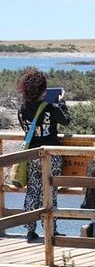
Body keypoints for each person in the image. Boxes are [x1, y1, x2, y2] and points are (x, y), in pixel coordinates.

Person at [16, 68, 71, 241]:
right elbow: (66, 120)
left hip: (32, 154)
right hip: (51, 155)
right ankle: (50, 228)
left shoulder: (22, 109)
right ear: (42, 91)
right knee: (50, 191)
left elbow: (25, 129)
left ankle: (30, 228)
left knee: (32, 190)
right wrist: (62, 103)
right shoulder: (50, 107)